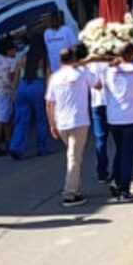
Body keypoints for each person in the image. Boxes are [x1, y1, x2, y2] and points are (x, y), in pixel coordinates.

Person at [46, 43, 97, 206]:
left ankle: (75, 187)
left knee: (73, 156)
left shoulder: (55, 77)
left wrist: (52, 124)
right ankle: (69, 193)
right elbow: (98, 84)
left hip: (62, 123)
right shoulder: (81, 73)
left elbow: (49, 103)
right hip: (79, 121)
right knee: (74, 157)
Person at [94, 45, 133, 199]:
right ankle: (124, 190)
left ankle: (116, 181)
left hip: (114, 118)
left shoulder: (108, 72)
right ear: (131, 55)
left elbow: (101, 87)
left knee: (120, 150)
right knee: (127, 154)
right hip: (131, 117)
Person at [9, 44, 52, 160]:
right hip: (37, 86)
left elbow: (16, 77)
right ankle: (42, 148)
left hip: (23, 86)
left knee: (20, 120)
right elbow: (48, 75)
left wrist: (15, 91)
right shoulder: (43, 58)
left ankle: (16, 147)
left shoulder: (23, 57)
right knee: (41, 118)